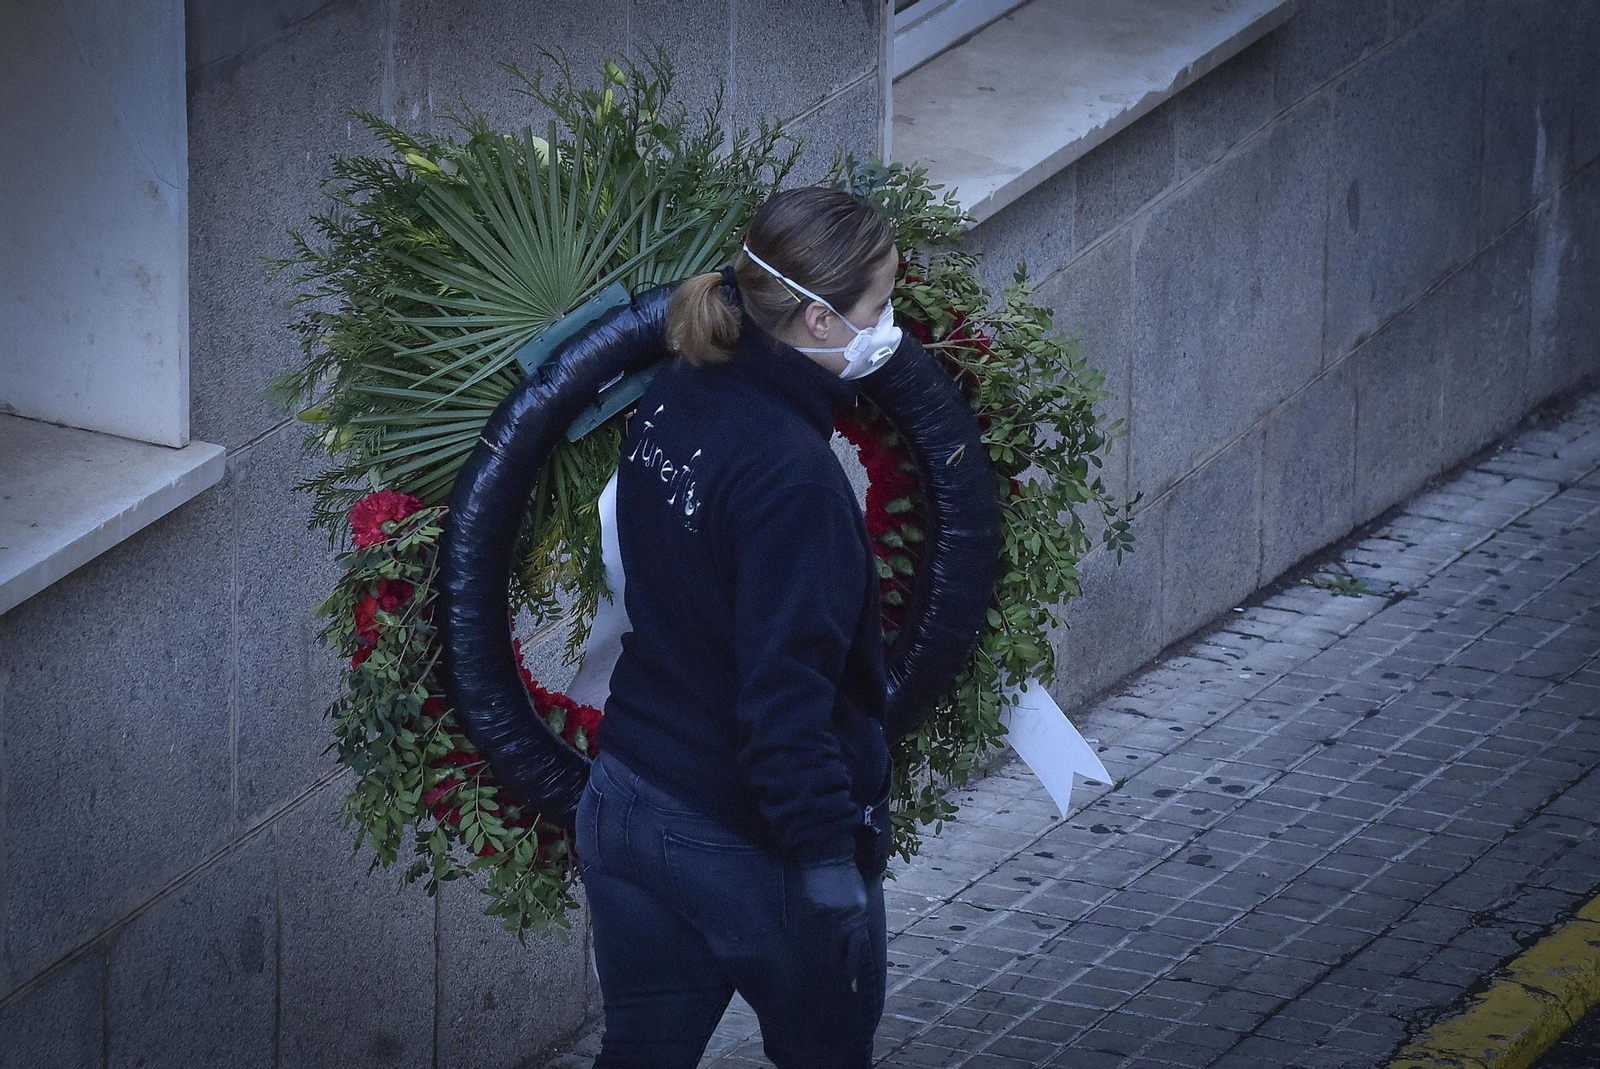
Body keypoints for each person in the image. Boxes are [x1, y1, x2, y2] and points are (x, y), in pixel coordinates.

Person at [574, 186, 903, 1069]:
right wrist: (828, 864)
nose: (889, 324)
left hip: (628, 803)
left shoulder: (680, 392)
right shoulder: (795, 482)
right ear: (821, 320)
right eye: (878, 306)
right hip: (747, 842)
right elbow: (785, 694)